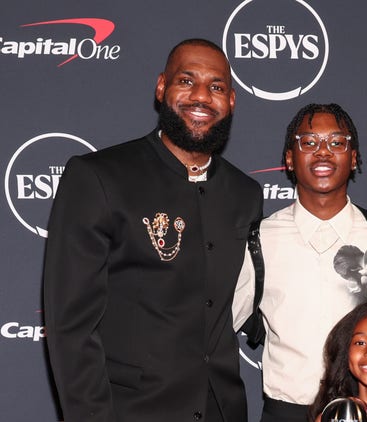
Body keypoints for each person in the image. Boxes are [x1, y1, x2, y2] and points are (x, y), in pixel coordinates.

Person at [43, 38, 262, 422]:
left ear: (231, 101)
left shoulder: (245, 193)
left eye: (216, 87)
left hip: (222, 410)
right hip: (131, 411)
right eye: (186, 81)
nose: (201, 96)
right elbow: (71, 327)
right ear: (162, 87)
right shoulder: (99, 177)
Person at [232, 103, 367, 422]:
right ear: (289, 158)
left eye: (337, 142)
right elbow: (220, 325)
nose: (323, 152)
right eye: (309, 142)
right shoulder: (260, 239)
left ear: (353, 157)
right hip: (285, 413)